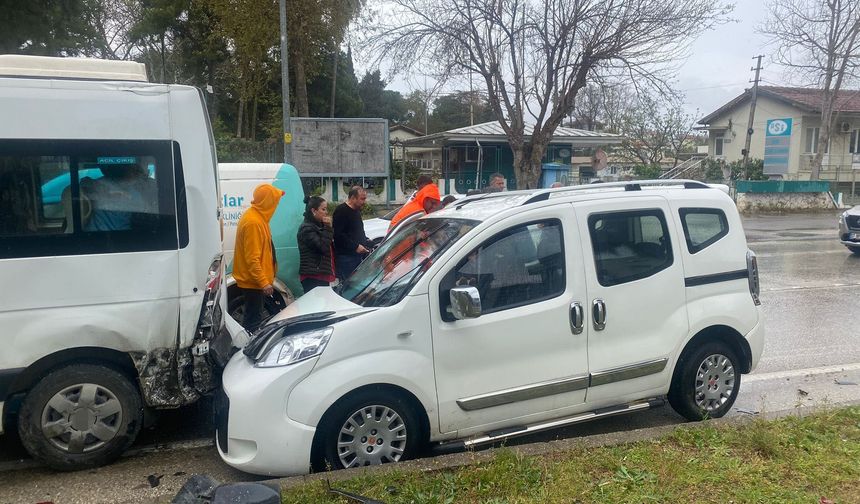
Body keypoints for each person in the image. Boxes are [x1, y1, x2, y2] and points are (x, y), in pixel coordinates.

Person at [233, 183, 284, 331]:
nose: (277, 205)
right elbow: (252, 259)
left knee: (254, 319)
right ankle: (247, 351)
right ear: (268, 202)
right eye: (275, 201)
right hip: (253, 284)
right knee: (253, 323)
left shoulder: (258, 218)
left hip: (254, 282)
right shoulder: (253, 222)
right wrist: (263, 283)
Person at [333, 186, 374, 280]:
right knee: (349, 285)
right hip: (347, 257)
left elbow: (355, 231)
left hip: (357, 256)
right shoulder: (341, 211)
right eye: (362, 199)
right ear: (352, 198)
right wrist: (355, 246)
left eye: (365, 199)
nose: (364, 202)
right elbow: (339, 235)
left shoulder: (356, 211)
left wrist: (365, 240)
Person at [297, 195, 335, 294]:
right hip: (313, 276)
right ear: (314, 211)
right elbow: (322, 247)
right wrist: (328, 228)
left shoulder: (317, 226)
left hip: (321, 274)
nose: (326, 212)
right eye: (323, 209)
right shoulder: (307, 228)